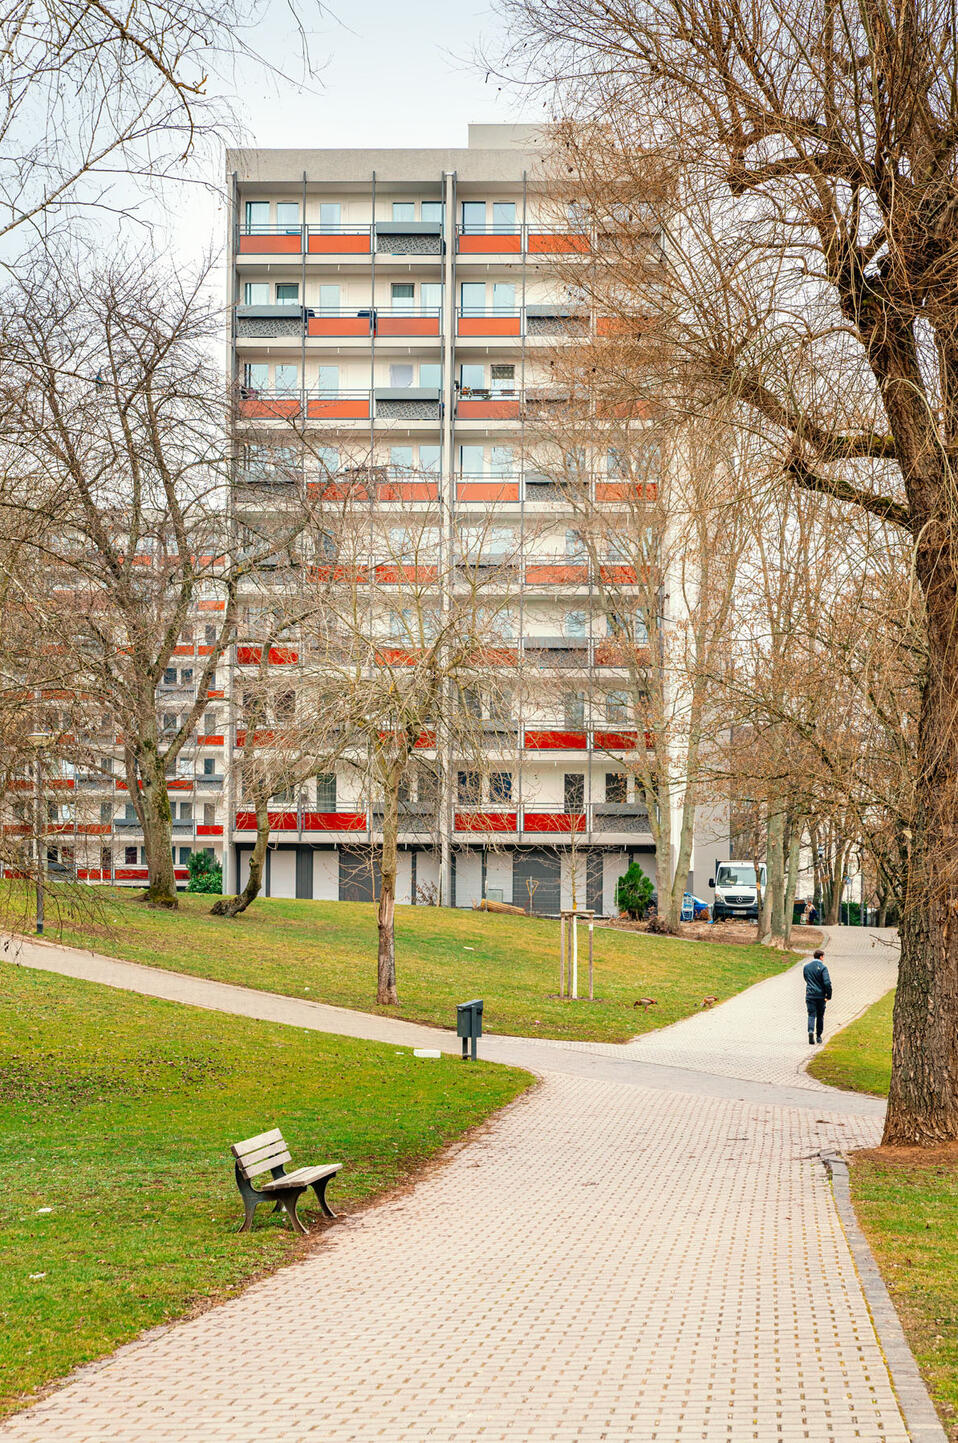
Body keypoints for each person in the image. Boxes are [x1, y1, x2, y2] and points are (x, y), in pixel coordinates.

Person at [803, 948, 832, 1045]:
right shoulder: (823, 968)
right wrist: (829, 995)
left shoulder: (806, 967)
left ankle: (810, 1031)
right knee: (820, 1016)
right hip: (820, 996)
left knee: (811, 1014)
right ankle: (818, 1036)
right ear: (821, 957)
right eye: (823, 957)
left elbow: (806, 978)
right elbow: (827, 982)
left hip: (810, 995)